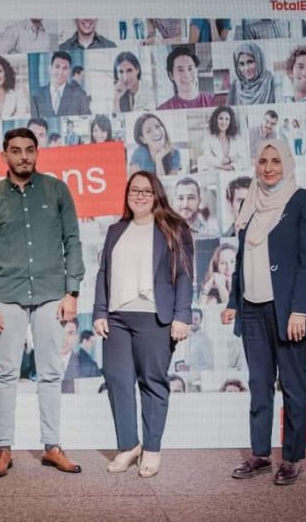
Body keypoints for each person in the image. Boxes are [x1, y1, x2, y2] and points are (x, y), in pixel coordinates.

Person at [221, 138, 306, 486]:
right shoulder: (251, 205)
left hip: (288, 311)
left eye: (275, 161)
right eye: (263, 161)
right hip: (252, 309)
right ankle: (261, 455)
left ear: (287, 164)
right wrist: (233, 302)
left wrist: (300, 310)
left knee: (294, 387)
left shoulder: (303, 201)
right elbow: (242, 259)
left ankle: (293, 458)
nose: (268, 168)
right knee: (259, 385)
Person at [0, 127, 85, 478]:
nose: (23, 156)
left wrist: (72, 292)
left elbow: (72, 241)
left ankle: (52, 446)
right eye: (16, 150)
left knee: (50, 372)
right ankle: (4, 449)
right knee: (6, 373)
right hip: (6, 294)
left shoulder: (57, 190)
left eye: (29, 149)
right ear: (4, 155)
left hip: (52, 294)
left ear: (37, 152)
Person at [92, 170, 193, 477]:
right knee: (117, 379)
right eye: (134, 191)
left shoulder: (174, 228)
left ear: (156, 195)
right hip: (117, 318)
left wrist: (181, 316)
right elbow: (103, 272)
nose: (139, 196)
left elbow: (184, 275)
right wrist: (99, 311)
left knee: (152, 382)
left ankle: (151, 448)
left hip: (154, 317)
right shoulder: (116, 230)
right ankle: (128, 446)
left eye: (146, 191)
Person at [30, 51, 91, 118]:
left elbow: (86, 119)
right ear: (50, 69)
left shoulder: (80, 96)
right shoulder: (37, 95)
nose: (60, 72)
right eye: (57, 67)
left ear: (69, 72)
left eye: (65, 68)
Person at [158, 45, 216, 110]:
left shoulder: (214, 101)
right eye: (180, 70)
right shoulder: (163, 109)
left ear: (196, 70)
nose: (187, 75)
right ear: (171, 75)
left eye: (190, 68)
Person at [198, 106, 243, 171]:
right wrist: (222, 166)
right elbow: (207, 159)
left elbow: (243, 159)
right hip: (216, 173)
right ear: (216, 120)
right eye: (221, 118)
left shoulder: (236, 139)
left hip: (233, 173)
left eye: (227, 119)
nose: (224, 122)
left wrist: (230, 160)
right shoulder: (208, 139)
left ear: (230, 122)